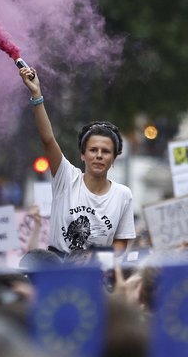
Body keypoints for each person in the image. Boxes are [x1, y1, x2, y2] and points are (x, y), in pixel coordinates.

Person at [18, 63, 136, 256]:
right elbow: (48, 140)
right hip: (57, 270)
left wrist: (103, 265)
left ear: (114, 158)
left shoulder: (123, 195)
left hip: (95, 275)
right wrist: (36, 95)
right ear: (83, 155)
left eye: (105, 151)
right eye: (93, 150)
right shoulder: (67, 178)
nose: (98, 155)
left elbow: (121, 242)